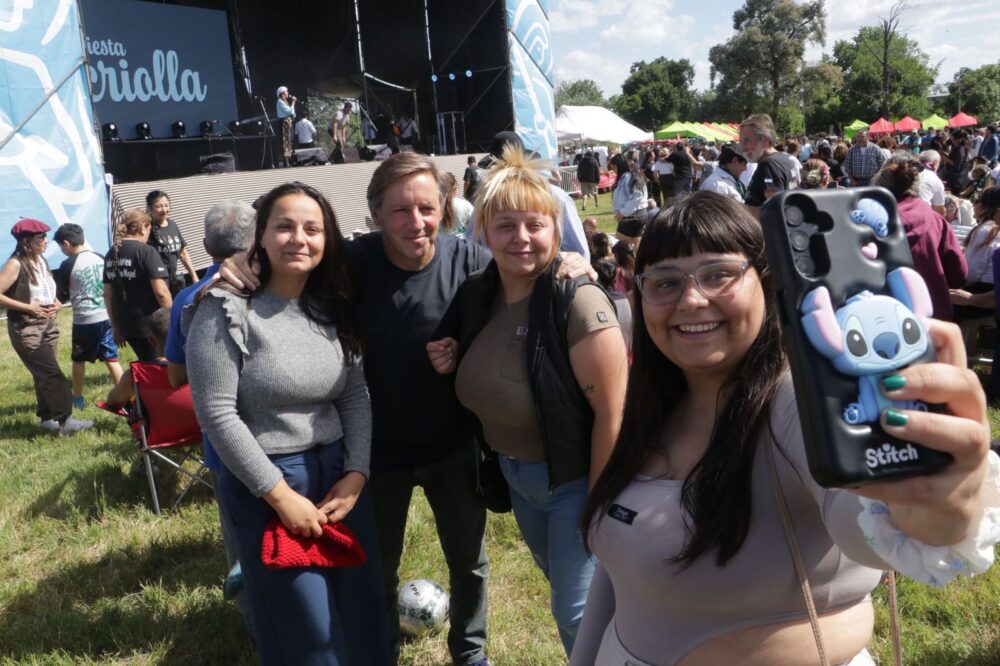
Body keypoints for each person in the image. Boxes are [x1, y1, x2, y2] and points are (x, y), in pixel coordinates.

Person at [570, 190, 1000, 666]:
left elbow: (869, 522)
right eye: (664, 282)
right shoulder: (649, 410)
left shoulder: (794, 408)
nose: (691, 299)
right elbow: (617, 580)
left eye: (718, 274)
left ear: (768, 282)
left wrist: (935, 510)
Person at [427, 146, 628, 655]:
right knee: (578, 597)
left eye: (535, 225)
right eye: (506, 225)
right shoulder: (478, 293)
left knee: (575, 610)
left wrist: (598, 501)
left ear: (555, 233)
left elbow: (614, 412)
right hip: (517, 478)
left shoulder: (575, 300)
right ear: (484, 232)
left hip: (575, 481)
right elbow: (489, 359)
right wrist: (453, 354)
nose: (521, 238)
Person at [185, 182, 388, 665]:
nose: (299, 238)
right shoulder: (224, 309)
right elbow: (216, 413)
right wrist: (280, 496)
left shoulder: (333, 306)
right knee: (304, 628)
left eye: (312, 228)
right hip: (271, 487)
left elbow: (355, 395)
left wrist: (356, 474)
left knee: (362, 617)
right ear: (261, 236)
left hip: (339, 481)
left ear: (327, 239)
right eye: (285, 226)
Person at [163, 199, 257, 626]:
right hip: (287, 440)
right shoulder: (275, 287)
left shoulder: (188, 298)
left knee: (239, 536)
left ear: (203, 245)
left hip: (224, 447)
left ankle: (251, 622)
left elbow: (175, 377)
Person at [0, 219, 92, 434]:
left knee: (43, 373)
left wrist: (57, 302)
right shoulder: (16, 263)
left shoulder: (39, 259)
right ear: (26, 241)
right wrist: (28, 308)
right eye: (40, 237)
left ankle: (47, 418)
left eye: (45, 236)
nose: (46, 241)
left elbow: (45, 288)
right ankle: (66, 421)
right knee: (52, 374)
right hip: (27, 327)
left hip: (48, 324)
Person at [871, 154, 967, 321]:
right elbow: (958, 274)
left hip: (882, 319)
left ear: (880, 181)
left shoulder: (867, 221)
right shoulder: (935, 218)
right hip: (932, 316)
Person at [53, 223, 124, 410]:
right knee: (111, 357)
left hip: (84, 320)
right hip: (106, 317)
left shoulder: (67, 264)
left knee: (78, 359)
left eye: (61, 246)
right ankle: (126, 394)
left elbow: (61, 295)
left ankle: (78, 398)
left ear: (66, 244)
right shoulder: (101, 257)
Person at [103, 209, 173, 361]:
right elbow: (161, 292)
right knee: (161, 369)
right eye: (149, 228)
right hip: (152, 326)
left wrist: (115, 326)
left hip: (127, 325)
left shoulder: (111, 253)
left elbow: (108, 294)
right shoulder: (146, 252)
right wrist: (173, 320)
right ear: (143, 228)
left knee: (147, 364)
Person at [104, 307, 170, 407]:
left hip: (154, 421)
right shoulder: (193, 369)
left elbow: (112, 400)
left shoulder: (135, 375)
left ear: (150, 340)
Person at [145, 190, 198, 295]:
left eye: (166, 205)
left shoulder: (172, 225)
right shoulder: (146, 228)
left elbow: (182, 253)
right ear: (150, 209)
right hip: (156, 283)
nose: (164, 210)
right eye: (159, 206)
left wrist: (194, 276)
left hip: (174, 281)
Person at [739, 114, 790, 215]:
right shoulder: (786, 158)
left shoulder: (768, 164)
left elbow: (775, 211)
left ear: (765, 140)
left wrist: (735, 207)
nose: (743, 148)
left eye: (746, 140)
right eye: (741, 141)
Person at [610, 153, 647, 248]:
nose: (613, 170)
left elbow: (638, 197)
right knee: (635, 247)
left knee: (620, 247)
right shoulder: (630, 176)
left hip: (632, 216)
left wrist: (622, 212)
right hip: (637, 215)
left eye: (613, 167)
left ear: (618, 166)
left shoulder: (628, 177)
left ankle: (626, 262)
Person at [918, 150, 947, 215]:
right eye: (939, 163)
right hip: (921, 216)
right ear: (935, 163)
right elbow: (939, 211)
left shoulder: (910, 172)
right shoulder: (935, 179)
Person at [276, 86, 297, 167]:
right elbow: (289, 111)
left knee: (290, 140)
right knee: (285, 140)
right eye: (286, 92)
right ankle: (286, 161)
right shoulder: (280, 101)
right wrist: (293, 103)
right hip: (284, 122)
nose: (288, 93)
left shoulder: (285, 102)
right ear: (282, 94)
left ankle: (290, 159)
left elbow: (292, 113)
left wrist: (293, 114)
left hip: (288, 121)